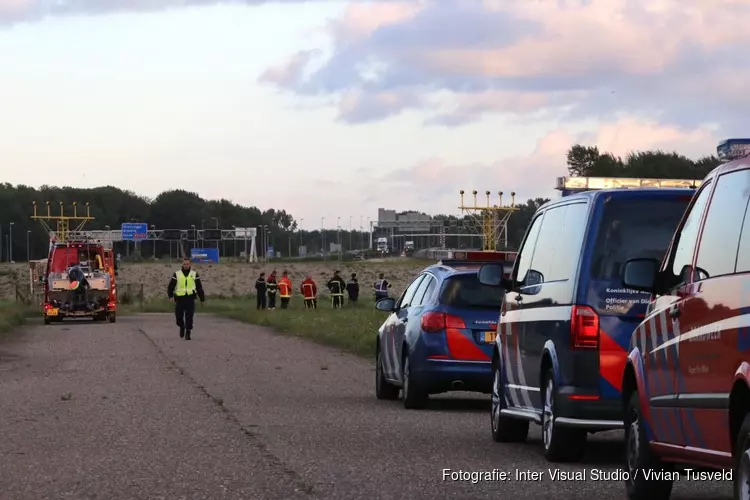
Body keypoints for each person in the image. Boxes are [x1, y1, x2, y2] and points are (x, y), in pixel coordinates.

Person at [167, 257, 205, 340]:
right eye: (184, 264)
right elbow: (171, 287)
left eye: (187, 264)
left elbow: (199, 288)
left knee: (189, 316)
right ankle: (182, 326)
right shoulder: (177, 274)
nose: (186, 265)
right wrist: (170, 296)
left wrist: (202, 299)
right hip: (180, 299)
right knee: (178, 317)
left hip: (190, 298)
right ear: (182, 264)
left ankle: (188, 332)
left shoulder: (194, 274)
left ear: (190, 264)